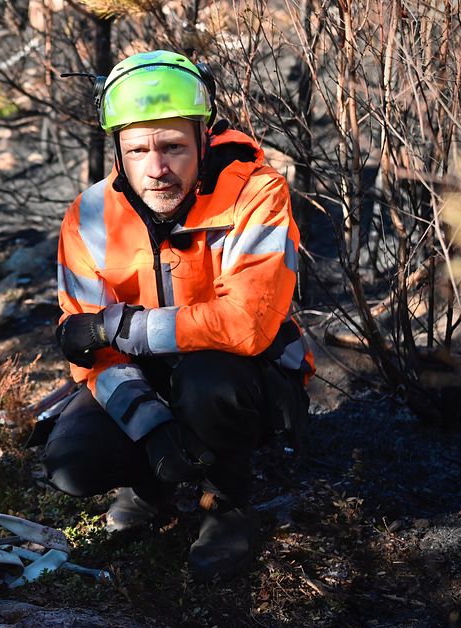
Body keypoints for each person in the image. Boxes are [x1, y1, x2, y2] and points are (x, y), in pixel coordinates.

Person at [39, 50, 314, 582]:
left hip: (239, 372)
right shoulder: (88, 215)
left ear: (204, 139)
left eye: (173, 147)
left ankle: (226, 501)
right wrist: (151, 425)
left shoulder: (255, 192)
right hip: (149, 379)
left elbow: (246, 325)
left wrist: (124, 325)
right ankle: (151, 485)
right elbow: (91, 353)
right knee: (73, 464)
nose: (156, 168)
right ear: (118, 148)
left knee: (209, 381)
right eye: (137, 149)